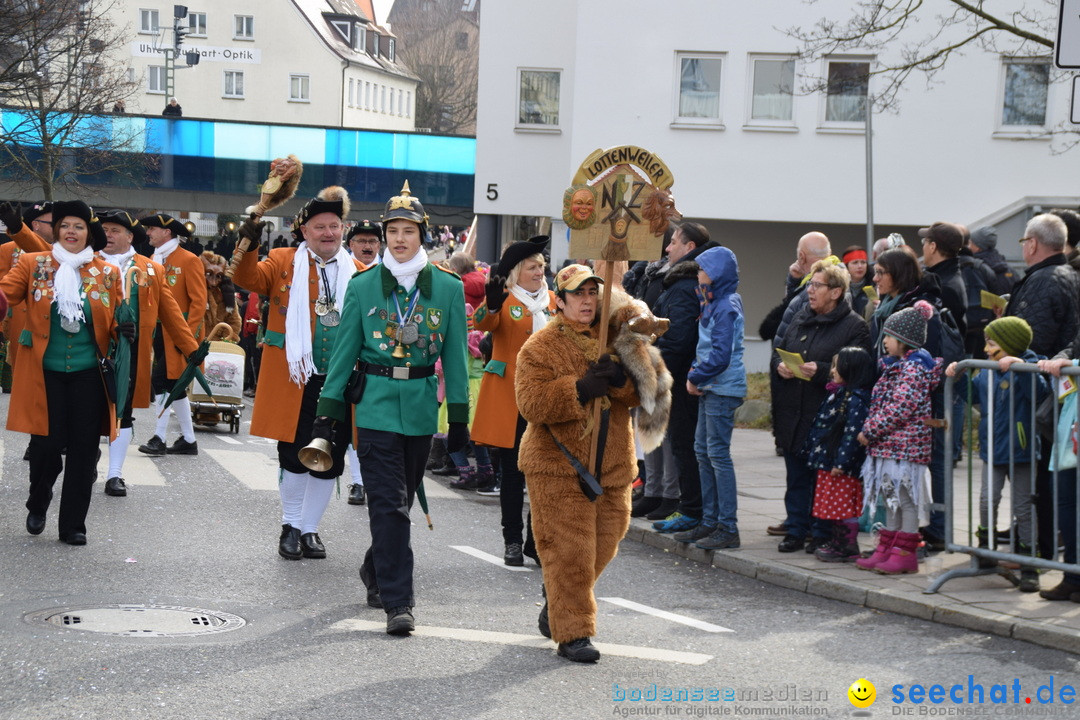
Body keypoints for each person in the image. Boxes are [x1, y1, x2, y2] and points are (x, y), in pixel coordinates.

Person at [313, 181, 469, 636]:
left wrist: (457, 419)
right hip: (376, 407)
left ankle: (375, 569)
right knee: (388, 505)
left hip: (421, 408)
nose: (400, 238)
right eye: (393, 230)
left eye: (409, 230)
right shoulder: (362, 287)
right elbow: (343, 354)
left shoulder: (447, 288)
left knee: (397, 503)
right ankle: (399, 602)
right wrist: (329, 413)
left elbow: (455, 359)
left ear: (423, 235)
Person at [515, 264, 641, 663]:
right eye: (577, 294)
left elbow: (646, 391)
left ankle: (556, 598)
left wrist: (622, 380)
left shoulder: (618, 339)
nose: (586, 300)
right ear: (560, 301)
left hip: (613, 465)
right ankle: (573, 634)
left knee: (604, 544)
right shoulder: (539, 346)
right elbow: (530, 403)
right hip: (557, 464)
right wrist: (580, 389)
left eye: (592, 292)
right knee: (571, 553)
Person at [232, 186, 364, 560]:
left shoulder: (361, 273)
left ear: (344, 229)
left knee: (331, 457)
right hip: (294, 377)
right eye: (319, 226)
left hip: (339, 380)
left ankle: (311, 530)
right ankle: (290, 525)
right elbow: (245, 278)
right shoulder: (281, 260)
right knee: (293, 453)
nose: (328, 233)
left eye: (334, 226)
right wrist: (249, 238)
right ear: (304, 231)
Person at [0, 201, 131, 545]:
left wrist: (124, 327)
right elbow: (7, 295)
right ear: (56, 231)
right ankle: (38, 500)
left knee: (84, 452)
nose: (71, 232)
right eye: (65, 226)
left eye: (79, 226)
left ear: (89, 233)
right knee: (45, 447)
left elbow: (115, 319)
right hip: (44, 374)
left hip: (89, 375)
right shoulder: (33, 263)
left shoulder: (107, 273)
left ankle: (73, 525)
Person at [96, 211, 200, 496]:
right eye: (104, 229)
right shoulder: (87, 263)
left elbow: (171, 313)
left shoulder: (151, 269)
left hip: (131, 353)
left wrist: (192, 349)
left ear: (130, 236)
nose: (108, 234)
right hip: (91, 352)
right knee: (89, 413)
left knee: (123, 412)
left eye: (115, 230)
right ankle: (88, 459)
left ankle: (115, 474)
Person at [771, 260, 870, 553]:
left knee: (822, 481)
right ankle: (796, 529)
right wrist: (780, 367)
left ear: (836, 292)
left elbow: (858, 369)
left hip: (826, 416)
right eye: (810, 285)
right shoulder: (801, 316)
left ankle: (821, 531)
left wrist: (824, 370)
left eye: (817, 286)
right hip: (793, 410)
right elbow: (780, 351)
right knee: (796, 478)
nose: (810, 291)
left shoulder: (855, 326)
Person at [471, 235, 556, 564]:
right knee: (513, 472)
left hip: (544, 398)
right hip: (510, 397)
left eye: (542, 266)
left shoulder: (551, 301)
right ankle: (511, 539)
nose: (538, 272)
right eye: (532, 267)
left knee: (542, 472)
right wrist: (491, 304)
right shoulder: (503, 299)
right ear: (517, 271)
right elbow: (482, 323)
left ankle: (535, 541)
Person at [951, 317, 1047, 592]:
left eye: (991, 344)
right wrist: (957, 377)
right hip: (993, 449)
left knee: (1023, 508)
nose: (986, 350)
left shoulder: (1029, 366)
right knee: (986, 499)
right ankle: (985, 549)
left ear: (1009, 345)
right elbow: (974, 396)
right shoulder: (987, 370)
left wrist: (1020, 369)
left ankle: (1030, 563)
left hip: (1022, 451)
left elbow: (1038, 394)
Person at [857, 301, 943, 574]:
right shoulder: (898, 366)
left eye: (890, 337)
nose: (884, 341)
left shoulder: (913, 370)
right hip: (891, 446)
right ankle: (888, 548)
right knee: (891, 498)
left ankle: (905, 552)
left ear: (905, 341)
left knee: (905, 500)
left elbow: (899, 407)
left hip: (904, 448)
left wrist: (870, 430)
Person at [675, 246, 746, 550]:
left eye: (702, 269)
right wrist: (697, 373)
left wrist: (694, 377)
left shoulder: (726, 305)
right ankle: (710, 521)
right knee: (703, 452)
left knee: (716, 454)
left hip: (721, 388)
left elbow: (720, 354)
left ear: (716, 275)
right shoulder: (714, 302)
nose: (698, 274)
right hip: (711, 386)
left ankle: (727, 526)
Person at [136, 214, 207, 456]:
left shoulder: (189, 260)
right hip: (158, 332)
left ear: (167, 232)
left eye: (152, 229)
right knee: (174, 384)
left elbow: (199, 302)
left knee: (162, 381)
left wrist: (186, 338)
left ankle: (159, 437)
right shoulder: (152, 260)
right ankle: (188, 440)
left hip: (179, 334)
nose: (148, 233)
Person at [803, 347, 875, 563]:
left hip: (842, 465)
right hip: (829, 460)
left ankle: (847, 545)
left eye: (837, 366)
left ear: (851, 369)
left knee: (844, 506)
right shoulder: (838, 393)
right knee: (835, 504)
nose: (832, 370)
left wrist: (842, 463)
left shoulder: (855, 400)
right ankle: (838, 541)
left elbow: (852, 436)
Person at [1004, 213, 1079, 360]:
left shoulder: (1043, 280)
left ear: (1032, 244)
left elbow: (1031, 338)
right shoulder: (1070, 273)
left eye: (1024, 241)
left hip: (1039, 374)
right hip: (1059, 371)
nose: (1023, 246)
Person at [919, 222, 967, 337]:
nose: (923, 247)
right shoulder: (946, 277)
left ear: (932, 247)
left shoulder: (943, 286)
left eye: (924, 242)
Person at [967, 226, 1014, 295]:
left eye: (970, 243)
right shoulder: (1009, 269)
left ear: (978, 247)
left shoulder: (975, 269)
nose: (968, 247)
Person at [842, 245, 872, 317]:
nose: (860, 266)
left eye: (863, 262)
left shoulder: (874, 285)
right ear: (846, 266)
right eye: (855, 262)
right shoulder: (839, 288)